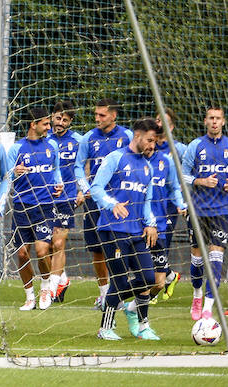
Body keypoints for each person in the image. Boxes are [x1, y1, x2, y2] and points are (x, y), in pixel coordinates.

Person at [88, 118, 164, 341]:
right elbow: (96, 188)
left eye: (156, 141)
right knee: (120, 281)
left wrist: (151, 224)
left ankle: (135, 316)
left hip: (137, 232)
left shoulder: (148, 168)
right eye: (150, 140)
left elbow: (146, 203)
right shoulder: (116, 158)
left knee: (150, 279)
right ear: (138, 136)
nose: (152, 145)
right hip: (112, 230)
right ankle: (106, 328)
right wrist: (112, 204)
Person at [0, 107, 63, 311]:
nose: (49, 127)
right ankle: (29, 296)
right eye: (45, 124)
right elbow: (6, 177)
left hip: (44, 206)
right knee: (21, 254)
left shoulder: (52, 145)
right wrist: (14, 171)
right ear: (33, 124)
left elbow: (56, 172)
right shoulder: (16, 149)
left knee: (43, 249)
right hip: (21, 206)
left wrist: (59, 184)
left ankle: (45, 288)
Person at [74, 98, 135, 310]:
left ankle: (118, 292)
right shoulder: (88, 138)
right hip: (96, 200)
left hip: (120, 201)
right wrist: (85, 187)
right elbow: (78, 166)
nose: (97, 118)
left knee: (121, 247)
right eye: (96, 114)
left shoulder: (127, 136)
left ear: (113, 115)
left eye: (102, 115)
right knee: (97, 249)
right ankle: (103, 294)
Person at [183, 106, 228, 321]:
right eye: (211, 118)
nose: (214, 122)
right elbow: (183, 176)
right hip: (198, 210)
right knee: (197, 260)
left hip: (222, 210)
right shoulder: (195, 146)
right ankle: (197, 294)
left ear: (223, 121)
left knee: (216, 256)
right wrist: (200, 181)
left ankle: (209, 308)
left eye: (218, 118)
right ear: (205, 121)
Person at [148, 114, 187, 308]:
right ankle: (169, 276)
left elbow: (188, 172)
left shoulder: (178, 149)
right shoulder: (150, 148)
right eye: (157, 119)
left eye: (163, 120)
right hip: (148, 204)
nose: (158, 123)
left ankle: (157, 283)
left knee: (162, 244)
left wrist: (182, 200)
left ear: (171, 127)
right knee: (148, 246)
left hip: (169, 205)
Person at [46, 101, 82, 302]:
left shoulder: (78, 140)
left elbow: (86, 164)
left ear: (70, 122)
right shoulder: (44, 138)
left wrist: (81, 190)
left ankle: (51, 290)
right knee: (46, 245)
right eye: (58, 118)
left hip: (66, 197)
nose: (60, 122)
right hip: (43, 198)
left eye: (65, 120)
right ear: (52, 116)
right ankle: (63, 279)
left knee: (59, 243)